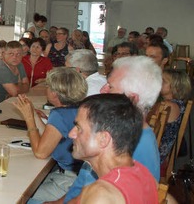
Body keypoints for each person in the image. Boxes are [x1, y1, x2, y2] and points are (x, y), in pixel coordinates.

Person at [61, 56, 161, 203]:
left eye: (110, 86)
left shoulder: (133, 145)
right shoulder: (136, 163)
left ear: (130, 100)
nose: (102, 89)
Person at [13, 67, 87, 203]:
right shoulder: (82, 108)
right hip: (74, 176)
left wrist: (29, 119)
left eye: (48, 86)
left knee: (17, 195)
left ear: (54, 93)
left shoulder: (59, 114)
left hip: (67, 182)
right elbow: (49, 135)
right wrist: (32, 113)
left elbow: (41, 153)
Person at [69, 94, 157, 203]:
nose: (71, 134)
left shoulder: (101, 195)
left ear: (103, 139)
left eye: (78, 128)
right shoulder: (143, 173)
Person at [158, 70, 191, 165]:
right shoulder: (178, 104)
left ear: (175, 87)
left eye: (163, 81)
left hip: (158, 156)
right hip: (164, 153)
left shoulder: (168, 106)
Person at [0, 41, 29, 106]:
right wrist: (20, 86)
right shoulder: (1, 69)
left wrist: (17, 88)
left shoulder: (19, 64)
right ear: (4, 54)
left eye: (18, 54)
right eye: (11, 54)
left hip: (11, 101)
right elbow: (14, 92)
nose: (15, 57)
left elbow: (27, 86)